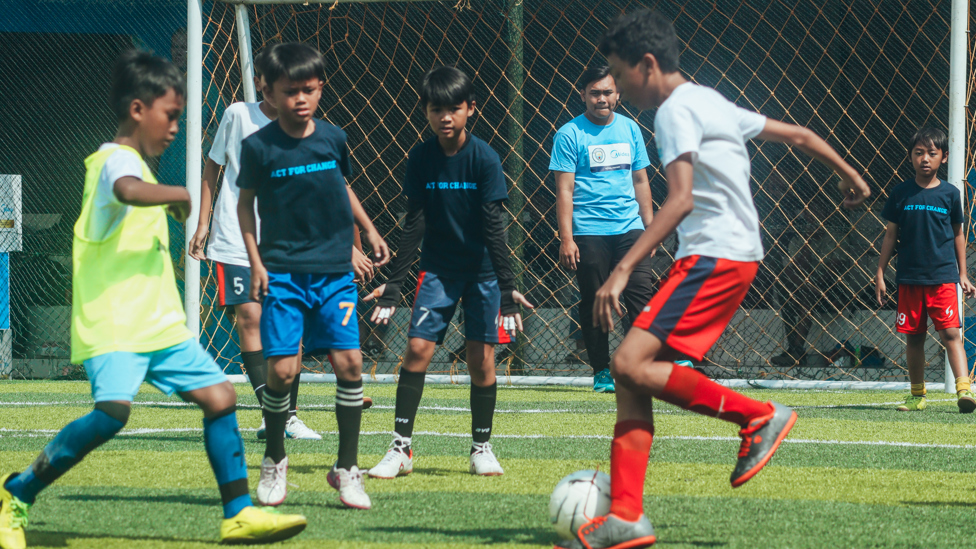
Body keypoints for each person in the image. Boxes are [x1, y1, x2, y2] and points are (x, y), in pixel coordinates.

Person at [557, 11, 871, 549]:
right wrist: (852, 175)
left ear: (647, 65)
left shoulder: (674, 113)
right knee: (632, 378)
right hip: (728, 256)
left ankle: (759, 416)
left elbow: (677, 200)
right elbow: (797, 134)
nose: (618, 87)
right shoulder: (709, 99)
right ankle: (627, 517)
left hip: (714, 257)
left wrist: (624, 269)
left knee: (627, 363)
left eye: (620, 73)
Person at [0, 51, 307, 549]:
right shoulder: (113, 160)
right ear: (138, 109)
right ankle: (17, 492)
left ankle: (239, 514)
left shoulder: (137, 163)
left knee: (220, 397)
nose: (174, 128)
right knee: (111, 414)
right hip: (115, 323)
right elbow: (126, 190)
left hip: (158, 325)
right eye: (170, 116)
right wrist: (179, 195)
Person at [237, 42, 390, 510]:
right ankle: (275, 460)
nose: (300, 99)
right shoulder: (257, 147)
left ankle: (347, 469)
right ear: (268, 89)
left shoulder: (333, 138)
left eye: (308, 90)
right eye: (289, 91)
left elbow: (341, 189)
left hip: (333, 274)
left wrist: (368, 230)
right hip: (282, 273)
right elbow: (244, 207)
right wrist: (257, 262)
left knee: (349, 366)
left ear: (320, 88)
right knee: (283, 371)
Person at [363, 66, 533, 479]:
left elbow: (496, 227)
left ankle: (481, 447)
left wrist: (508, 289)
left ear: (470, 109)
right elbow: (414, 225)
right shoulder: (421, 158)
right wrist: (393, 290)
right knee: (418, 350)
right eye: (437, 109)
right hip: (437, 272)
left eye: (454, 108)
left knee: (481, 361)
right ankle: (401, 448)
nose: (445, 117)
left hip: (484, 275)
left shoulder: (485, 158)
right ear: (426, 111)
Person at [549, 65, 656, 393]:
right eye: (594, 93)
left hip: (630, 228)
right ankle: (601, 370)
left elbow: (640, 180)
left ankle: (638, 366)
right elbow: (564, 190)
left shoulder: (631, 129)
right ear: (583, 95)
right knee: (595, 300)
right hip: (588, 233)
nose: (601, 99)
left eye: (607, 92)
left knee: (640, 295)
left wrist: (650, 228)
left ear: (618, 95)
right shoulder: (569, 134)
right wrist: (566, 238)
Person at [876, 127, 976, 413]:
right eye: (919, 153)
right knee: (914, 337)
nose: (925, 159)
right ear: (910, 157)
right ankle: (917, 395)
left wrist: (963, 274)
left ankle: (964, 390)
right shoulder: (900, 193)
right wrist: (880, 272)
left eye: (932, 153)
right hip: (909, 278)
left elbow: (958, 234)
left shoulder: (950, 194)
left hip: (943, 277)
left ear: (944, 157)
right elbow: (890, 235)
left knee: (951, 334)